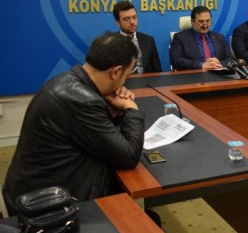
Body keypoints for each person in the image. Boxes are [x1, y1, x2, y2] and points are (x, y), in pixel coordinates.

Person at [3, 32, 144, 214]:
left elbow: (89, 132)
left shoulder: (66, 80)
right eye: (127, 74)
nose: (125, 81)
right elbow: (128, 156)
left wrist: (113, 112)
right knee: (139, 217)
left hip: (31, 188)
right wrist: (131, 109)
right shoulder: (84, 101)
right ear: (115, 72)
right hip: (45, 206)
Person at [169, 5, 235, 70]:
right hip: (195, 74)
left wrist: (218, 64)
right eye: (201, 21)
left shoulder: (219, 37)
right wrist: (201, 65)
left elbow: (231, 59)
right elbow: (176, 60)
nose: (205, 25)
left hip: (219, 73)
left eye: (208, 21)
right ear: (192, 21)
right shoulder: (180, 37)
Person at [113, 0, 162, 73]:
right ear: (117, 22)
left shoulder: (148, 40)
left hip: (147, 79)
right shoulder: (111, 44)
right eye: (126, 19)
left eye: (134, 17)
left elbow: (157, 70)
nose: (132, 22)